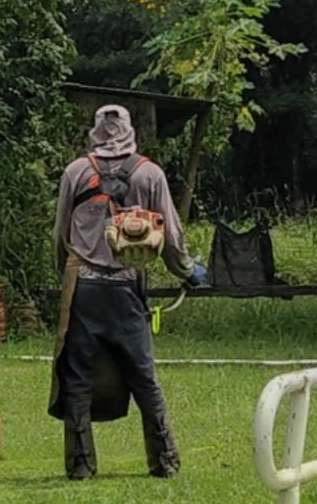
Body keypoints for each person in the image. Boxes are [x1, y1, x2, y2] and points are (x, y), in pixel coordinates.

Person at [48, 104, 205, 480]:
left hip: (83, 288)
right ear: (130, 131)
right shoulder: (149, 173)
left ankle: (81, 465)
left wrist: (65, 277)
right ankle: (164, 461)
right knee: (143, 375)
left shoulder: (76, 172)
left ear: (95, 132)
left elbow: (60, 235)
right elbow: (171, 236)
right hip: (126, 288)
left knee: (77, 377)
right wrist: (188, 272)